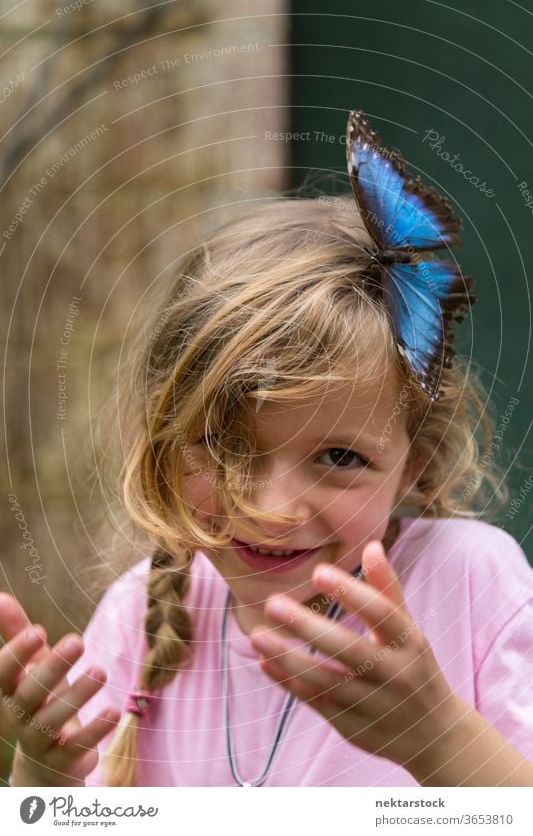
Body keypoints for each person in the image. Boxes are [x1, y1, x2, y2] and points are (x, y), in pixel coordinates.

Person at [2, 162, 533, 787]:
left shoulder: (469, 584)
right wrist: (41, 773)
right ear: (165, 438)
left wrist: (440, 743)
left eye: (340, 458)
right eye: (224, 446)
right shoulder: (137, 616)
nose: (274, 508)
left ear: (414, 464)